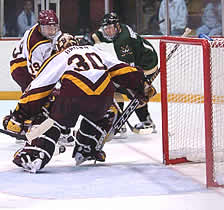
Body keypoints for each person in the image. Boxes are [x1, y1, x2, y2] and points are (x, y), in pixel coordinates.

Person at [4, 34, 148, 172]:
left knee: (49, 112)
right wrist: (141, 84)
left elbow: (38, 88)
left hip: (74, 96)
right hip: (103, 97)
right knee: (108, 111)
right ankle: (87, 147)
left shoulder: (59, 56)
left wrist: (19, 116)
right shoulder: (94, 50)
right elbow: (122, 69)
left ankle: (35, 153)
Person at [84, 12, 158, 137]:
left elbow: (129, 71)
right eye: (106, 29)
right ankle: (119, 123)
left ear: (117, 26)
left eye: (110, 29)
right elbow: (99, 35)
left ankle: (146, 121)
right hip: (140, 61)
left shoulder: (123, 41)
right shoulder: (117, 29)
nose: (108, 32)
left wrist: (136, 84)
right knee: (117, 90)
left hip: (146, 65)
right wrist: (87, 41)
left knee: (135, 90)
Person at [6, 10, 72, 146]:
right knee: (38, 96)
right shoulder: (35, 43)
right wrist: (52, 89)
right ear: (40, 26)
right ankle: (24, 123)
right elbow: (37, 77)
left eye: (55, 26)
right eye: (48, 27)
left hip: (40, 62)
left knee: (44, 97)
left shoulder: (51, 32)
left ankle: (29, 123)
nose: (52, 30)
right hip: (21, 68)